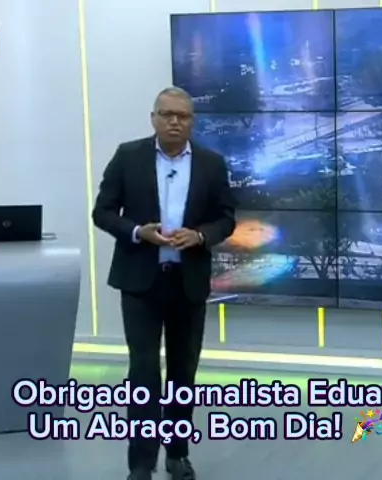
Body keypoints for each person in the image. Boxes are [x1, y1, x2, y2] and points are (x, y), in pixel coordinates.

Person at [92, 86, 236, 480]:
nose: (174, 121)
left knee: (182, 373)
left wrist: (201, 235)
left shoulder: (211, 164)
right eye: (167, 114)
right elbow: (102, 212)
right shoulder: (128, 156)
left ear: (192, 121)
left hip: (188, 283)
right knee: (143, 372)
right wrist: (137, 231)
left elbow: (226, 218)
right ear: (153, 118)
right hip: (140, 283)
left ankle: (177, 455)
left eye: (182, 116)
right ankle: (141, 464)